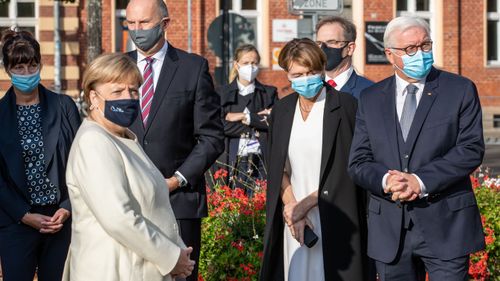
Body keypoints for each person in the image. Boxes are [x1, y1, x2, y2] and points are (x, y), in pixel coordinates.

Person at [348, 16, 485, 281]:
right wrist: (388, 180)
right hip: (390, 230)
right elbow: (359, 161)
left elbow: (470, 149)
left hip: (446, 226)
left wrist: (419, 182)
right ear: (390, 54)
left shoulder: (460, 89)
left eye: (425, 45)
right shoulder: (371, 98)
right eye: (410, 49)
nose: (420, 53)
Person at [63, 53, 195, 281]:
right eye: (117, 91)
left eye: (133, 91)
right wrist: (172, 257)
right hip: (112, 270)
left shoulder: (123, 138)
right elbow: (119, 218)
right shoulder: (94, 142)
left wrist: (179, 253)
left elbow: (154, 206)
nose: (128, 98)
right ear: (93, 98)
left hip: (139, 267)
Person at [125, 0, 224, 279]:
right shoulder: (118, 68)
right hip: (129, 202)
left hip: (178, 202)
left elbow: (211, 137)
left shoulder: (192, 68)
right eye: (131, 23)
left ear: (164, 24)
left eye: (144, 23)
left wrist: (176, 180)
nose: (136, 30)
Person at [260, 38, 368, 281]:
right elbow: (278, 166)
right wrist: (292, 208)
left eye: (312, 72)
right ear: (287, 74)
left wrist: (306, 205)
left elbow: (349, 168)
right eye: (298, 74)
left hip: (335, 213)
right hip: (294, 220)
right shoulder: (283, 109)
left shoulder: (345, 106)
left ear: (321, 69)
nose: (306, 79)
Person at [0, 29, 81, 281]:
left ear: (41, 65)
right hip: (16, 221)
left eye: (32, 66)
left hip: (61, 219)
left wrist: (67, 208)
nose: (27, 73)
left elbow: (81, 162)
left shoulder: (64, 106)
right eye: (20, 68)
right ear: (7, 69)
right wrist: (24, 215)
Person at [217, 44, 277, 191]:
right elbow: (219, 125)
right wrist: (257, 123)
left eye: (254, 63)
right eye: (246, 63)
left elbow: (274, 122)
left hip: (261, 160)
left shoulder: (269, 94)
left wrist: (246, 117)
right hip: (230, 157)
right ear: (236, 65)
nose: (251, 67)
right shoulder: (221, 94)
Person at [316, 16, 373, 99]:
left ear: (350, 48)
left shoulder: (369, 92)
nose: (323, 48)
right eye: (319, 43)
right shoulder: (311, 89)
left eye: (332, 42)